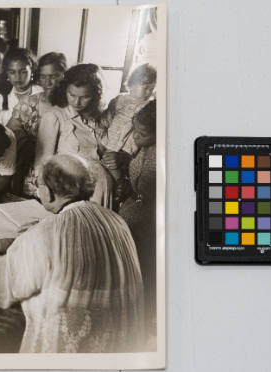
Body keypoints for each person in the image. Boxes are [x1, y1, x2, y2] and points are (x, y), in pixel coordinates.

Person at [0, 154, 145, 353]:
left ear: (49, 192)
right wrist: (24, 242)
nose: (37, 187)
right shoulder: (116, 221)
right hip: (122, 350)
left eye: (38, 183)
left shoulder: (48, 233)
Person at [34, 63, 114, 208]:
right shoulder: (54, 116)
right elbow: (42, 165)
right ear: (65, 89)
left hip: (102, 189)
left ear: (96, 95)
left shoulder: (99, 117)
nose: (77, 102)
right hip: (70, 194)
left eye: (85, 97)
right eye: (72, 95)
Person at [118, 100, 157, 342]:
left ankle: (139, 327)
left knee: (143, 274)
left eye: (141, 132)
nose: (135, 136)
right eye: (135, 129)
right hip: (135, 208)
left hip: (150, 225)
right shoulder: (144, 146)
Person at [7, 52, 67, 196]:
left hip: (65, 171)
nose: (47, 82)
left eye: (53, 76)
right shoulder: (28, 104)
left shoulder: (71, 105)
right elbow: (9, 133)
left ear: (64, 75)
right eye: (43, 76)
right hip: (33, 169)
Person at [100, 64, 157, 184]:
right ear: (131, 84)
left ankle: (121, 183)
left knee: (119, 166)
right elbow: (107, 118)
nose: (148, 92)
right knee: (106, 161)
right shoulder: (120, 100)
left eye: (151, 89)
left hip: (128, 146)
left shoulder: (148, 105)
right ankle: (119, 182)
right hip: (112, 139)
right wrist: (103, 126)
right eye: (145, 87)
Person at [0, 48, 42, 127]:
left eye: (23, 72)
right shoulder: (0, 99)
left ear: (32, 71)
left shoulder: (41, 93)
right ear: (7, 74)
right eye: (12, 72)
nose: (17, 77)